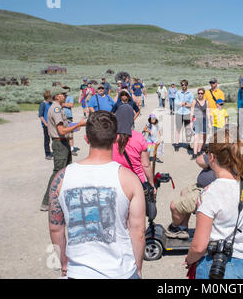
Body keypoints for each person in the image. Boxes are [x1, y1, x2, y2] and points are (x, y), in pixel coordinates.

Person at [48, 110, 145, 279]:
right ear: (115, 139)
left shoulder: (61, 177)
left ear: (86, 139)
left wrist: (64, 263)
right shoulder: (130, 179)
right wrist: (137, 267)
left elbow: (55, 227)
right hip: (121, 271)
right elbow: (138, 231)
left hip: (78, 271)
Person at [184, 132, 243, 279]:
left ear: (211, 157)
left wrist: (189, 259)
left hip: (214, 266)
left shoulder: (210, 193)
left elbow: (199, 246)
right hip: (242, 264)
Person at [40, 87, 86, 211]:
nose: (65, 96)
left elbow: (64, 127)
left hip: (63, 143)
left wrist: (74, 126)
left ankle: (63, 199)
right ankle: (46, 202)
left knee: (66, 172)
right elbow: (60, 131)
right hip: (60, 144)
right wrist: (78, 124)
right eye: (63, 94)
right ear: (56, 96)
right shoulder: (56, 109)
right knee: (58, 173)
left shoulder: (59, 108)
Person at [166, 152, 217, 239]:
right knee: (184, 192)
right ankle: (183, 228)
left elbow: (199, 160)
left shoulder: (221, 153)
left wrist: (208, 151)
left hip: (209, 190)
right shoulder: (217, 151)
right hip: (201, 186)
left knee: (174, 206)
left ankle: (175, 227)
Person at [112, 104, 156, 191]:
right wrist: (151, 184)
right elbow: (146, 165)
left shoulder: (110, 137)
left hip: (116, 181)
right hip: (136, 181)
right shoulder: (139, 137)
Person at [174, 80, 194, 152]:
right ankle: (176, 145)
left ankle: (188, 144)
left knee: (188, 130)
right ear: (181, 85)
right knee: (178, 129)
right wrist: (184, 104)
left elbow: (191, 104)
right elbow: (176, 102)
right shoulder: (178, 93)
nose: (184, 86)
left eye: (185, 85)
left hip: (187, 113)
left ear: (187, 85)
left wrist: (183, 104)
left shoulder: (190, 94)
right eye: (182, 85)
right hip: (179, 113)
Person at [190, 88, 209, 159]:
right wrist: (191, 122)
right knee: (196, 137)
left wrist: (209, 122)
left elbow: (208, 112)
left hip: (204, 121)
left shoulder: (206, 102)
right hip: (197, 120)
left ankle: (198, 151)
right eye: (199, 93)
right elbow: (191, 112)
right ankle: (194, 154)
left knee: (202, 137)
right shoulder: (194, 101)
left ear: (204, 94)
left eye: (201, 93)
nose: (200, 95)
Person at [61, 86, 79, 156]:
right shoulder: (59, 97)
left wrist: (63, 104)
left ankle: (71, 149)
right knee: (62, 133)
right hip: (61, 117)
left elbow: (71, 105)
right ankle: (64, 148)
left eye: (66, 89)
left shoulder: (70, 97)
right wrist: (66, 105)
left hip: (69, 117)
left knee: (70, 133)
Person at [39, 90, 53, 160]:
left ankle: (55, 152)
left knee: (54, 138)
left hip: (52, 124)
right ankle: (47, 153)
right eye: (50, 97)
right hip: (46, 125)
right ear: (47, 97)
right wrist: (45, 124)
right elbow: (40, 116)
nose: (51, 98)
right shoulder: (43, 104)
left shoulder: (51, 104)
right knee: (47, 140)